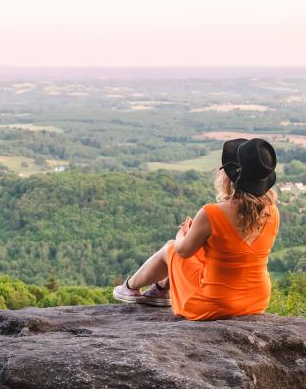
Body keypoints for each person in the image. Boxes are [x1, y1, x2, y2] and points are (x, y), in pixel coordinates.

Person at [113, 137, 279, 320]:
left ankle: (130, 287)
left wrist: (182, 233)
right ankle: (160, 290)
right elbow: (234, 249)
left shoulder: (211, 213)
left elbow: (182, 251)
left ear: (230, 176)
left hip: (216, 303)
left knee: (170, 248)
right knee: (200, 255)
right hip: (257, 300)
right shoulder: (272, 212)